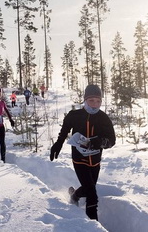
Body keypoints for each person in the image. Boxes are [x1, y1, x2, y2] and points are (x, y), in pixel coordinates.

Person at [49, 84, 115, 221]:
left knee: (88, 188)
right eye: (92, 100)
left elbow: (112, 140)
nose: (95, 104)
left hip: (95, 160)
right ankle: (93, 226)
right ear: (85, 100)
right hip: (79, 160)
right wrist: (58, 144)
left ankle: (74, 196)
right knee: (92, 194)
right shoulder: (75, 115)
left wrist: (100, 142)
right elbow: (64, 130)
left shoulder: (103, 118)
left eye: (98, 101)